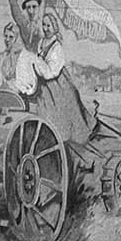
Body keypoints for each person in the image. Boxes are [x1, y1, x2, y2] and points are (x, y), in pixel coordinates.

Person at [28, 8, 96, 142]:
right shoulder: (41, 42)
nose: (46, 28)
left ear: (54, 27)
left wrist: (37, 63)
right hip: (44, 86)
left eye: (49, 25)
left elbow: (51, 72)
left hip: (58, 86)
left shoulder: (56, 47)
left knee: (61, 115)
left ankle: (61, 139)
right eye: (44, 25)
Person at [0, 22, 19, 91]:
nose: (7, 40)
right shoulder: (1, 57)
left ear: (16, 38)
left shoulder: (20, 57)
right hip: (3, 93)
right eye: (6, 36)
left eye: (11, 37)